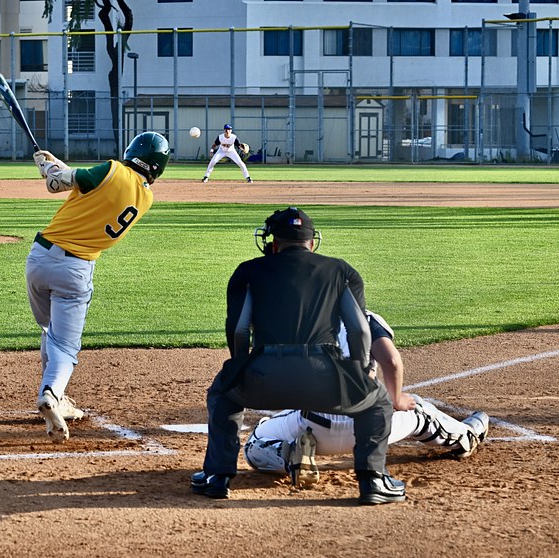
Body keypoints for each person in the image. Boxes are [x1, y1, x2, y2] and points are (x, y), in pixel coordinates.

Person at [191, 207, 406, 505]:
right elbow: (358, 330)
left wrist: (239, 366)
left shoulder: (248, 270)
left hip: (265, 375)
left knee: (223, 394)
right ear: (312, 242)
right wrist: (360, 369)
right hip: (324, 375)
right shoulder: (342, 271)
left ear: (273, 243)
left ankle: (218, 478)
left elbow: (240, 330)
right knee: (378, 402)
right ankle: (373, 481)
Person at [27, 132, 171, 443]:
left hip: (39, 259)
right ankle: (51, 393)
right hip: (75, 270)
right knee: (64, 345)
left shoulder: (112, 169)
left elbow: (58, 183)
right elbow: (84, 183)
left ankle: (58, 397)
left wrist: (47, 169)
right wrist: (52, 165)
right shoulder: (145, 197)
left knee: (50, 330)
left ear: (131, 151)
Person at [243, 311, 490, 483]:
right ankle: (466, 437)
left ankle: (288, 456)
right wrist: (396, 401)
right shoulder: (367, 319)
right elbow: (391, 361)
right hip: (372, 429)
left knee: (255, 442)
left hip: (313, 429)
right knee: (419, 410)